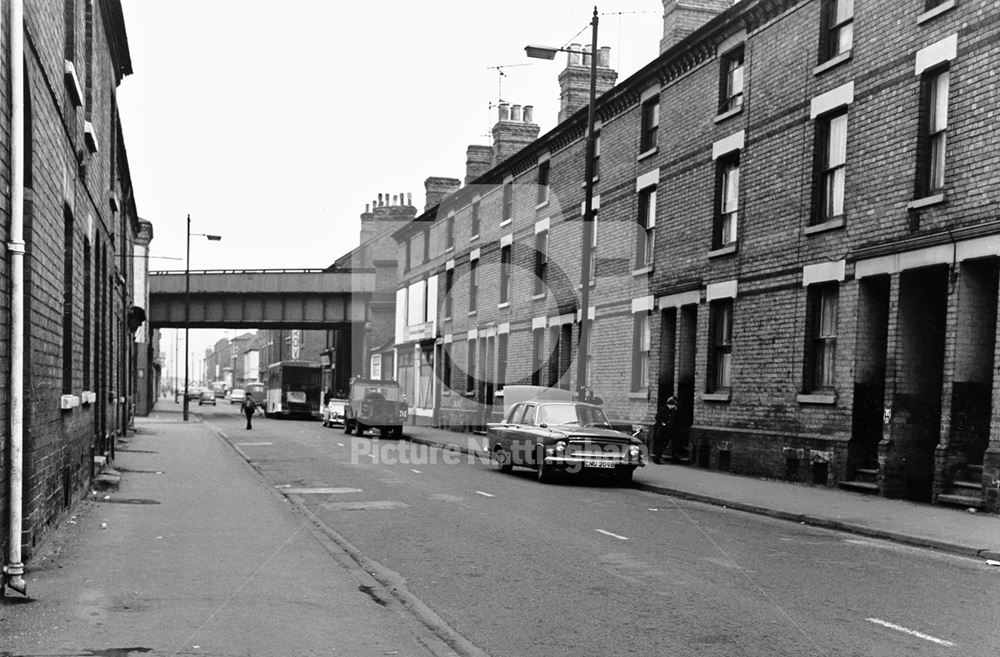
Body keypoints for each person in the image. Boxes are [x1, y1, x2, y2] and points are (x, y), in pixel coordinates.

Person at [651, 396, 678, 464]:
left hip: (666, 432)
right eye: (674, 405)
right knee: (660, 445)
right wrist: (663, 423)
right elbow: (657, 417)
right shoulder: (664, 409)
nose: (674, 406)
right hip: (661, 431)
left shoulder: (672, 411)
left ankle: (658, 458)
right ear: (671, 404)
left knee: (662, 446)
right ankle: (657, 459)